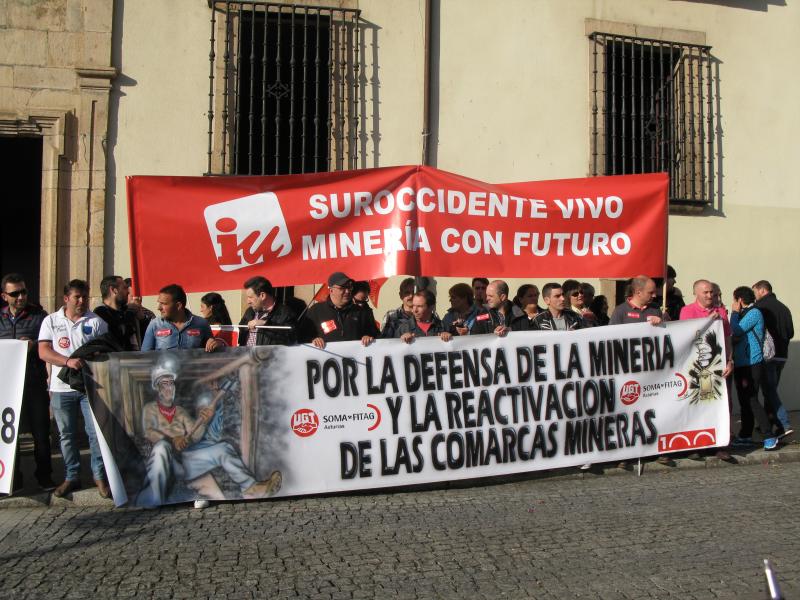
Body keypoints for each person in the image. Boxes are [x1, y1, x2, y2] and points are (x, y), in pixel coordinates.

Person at [136, 359, 281, 507]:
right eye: (164, 384)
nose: (169, 388)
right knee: (161, 447)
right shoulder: (150, 409)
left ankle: (251, 488)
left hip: (185, 461)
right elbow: (149, 432)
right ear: (157, 388)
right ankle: (152, 499)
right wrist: (172, 440)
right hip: (167, 462)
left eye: (171, 383)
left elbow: (195, 436)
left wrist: (205, 420)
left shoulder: (180, 412)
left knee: (223, 448)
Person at [38, 279, 110, 498]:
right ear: (66, 299)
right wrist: (67, 361)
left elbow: (106, 351)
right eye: (77, 297)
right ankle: (71, 476)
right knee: (66, 435)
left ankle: (99, 476)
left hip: (90, 387)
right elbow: (43, 351)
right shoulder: (51, 321)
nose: (82, 301)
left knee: (95, 434)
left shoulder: (96, 321)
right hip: (61, 388)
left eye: (85, 297)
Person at [0, 273, 53, 491]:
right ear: (4, 296)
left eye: (24, 292)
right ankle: (14, 479)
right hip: (6, 386)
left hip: (34, 382)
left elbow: (48, 345)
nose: (21, 297)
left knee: (41, 433)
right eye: (15, 293)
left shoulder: (39, 316)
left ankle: (45, 478)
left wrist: (33, 346)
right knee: (8, 434)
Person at [679, 280, 734, 461]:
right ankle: (696, 445)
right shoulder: (687, 311)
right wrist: (705, 321)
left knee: (719, 405)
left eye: (712, 292)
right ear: (696, 293)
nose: (710, 296)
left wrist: (730, 360)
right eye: (706, 292)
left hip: (718, 366)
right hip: (696, 367)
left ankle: (720, 445)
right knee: (697, 405)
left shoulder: (721, 312)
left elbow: (727, 338)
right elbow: (685, 335)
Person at [729, 286, 779, 451]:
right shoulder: (745, 314)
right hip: (742, 363)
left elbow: (736, 330)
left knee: (751, 400)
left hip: (752, 363)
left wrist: (734, 313)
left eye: (734, 300)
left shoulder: (754, 313)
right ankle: (745, 435)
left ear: (740, 301)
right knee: (744, 401)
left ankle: (768, 435)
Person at [753, 280, 794, 437]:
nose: (754, 295)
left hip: (768, 355)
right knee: (771, 390)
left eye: (755, 291)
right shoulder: (784, 307)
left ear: (763, 290)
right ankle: (769, 423)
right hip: (782, 355)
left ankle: (784, 424)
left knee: (769, 391)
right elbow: (790, 332)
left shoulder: (760, 308)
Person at [141, 284, 225, 353]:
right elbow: (145, 357)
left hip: (192, 373)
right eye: (159, 303)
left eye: (163, 304)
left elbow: (212, 353)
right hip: (164, 373)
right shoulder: (154, 324)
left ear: (178, 306)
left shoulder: (201, 324)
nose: (159, 308)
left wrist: (216, 345)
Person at [306, 272, 379, 349]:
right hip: (326, 359)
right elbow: (303, 337)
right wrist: (313, 340)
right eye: (342, 288)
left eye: (349, 287)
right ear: (331, 290)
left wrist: (369, 337)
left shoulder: (362, 312)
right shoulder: (316, 310)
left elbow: (376, 336)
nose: (347, 291)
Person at [238, 276, 297, 347]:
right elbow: (239, 333)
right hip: (246, 356)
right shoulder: (250, 311)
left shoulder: (285, 313)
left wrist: (265, 324)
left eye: (250, 297)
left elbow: (291, 338)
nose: (248, 302)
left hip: (270, 357)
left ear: (262, 295)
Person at [94, 275, 140, 351]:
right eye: (124, 288)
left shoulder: (127, 312)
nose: (128, 292)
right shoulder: (100, 314)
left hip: (132, 359)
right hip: (113, 360)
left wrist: (143, 319)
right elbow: (115, 338)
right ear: (114, 290)